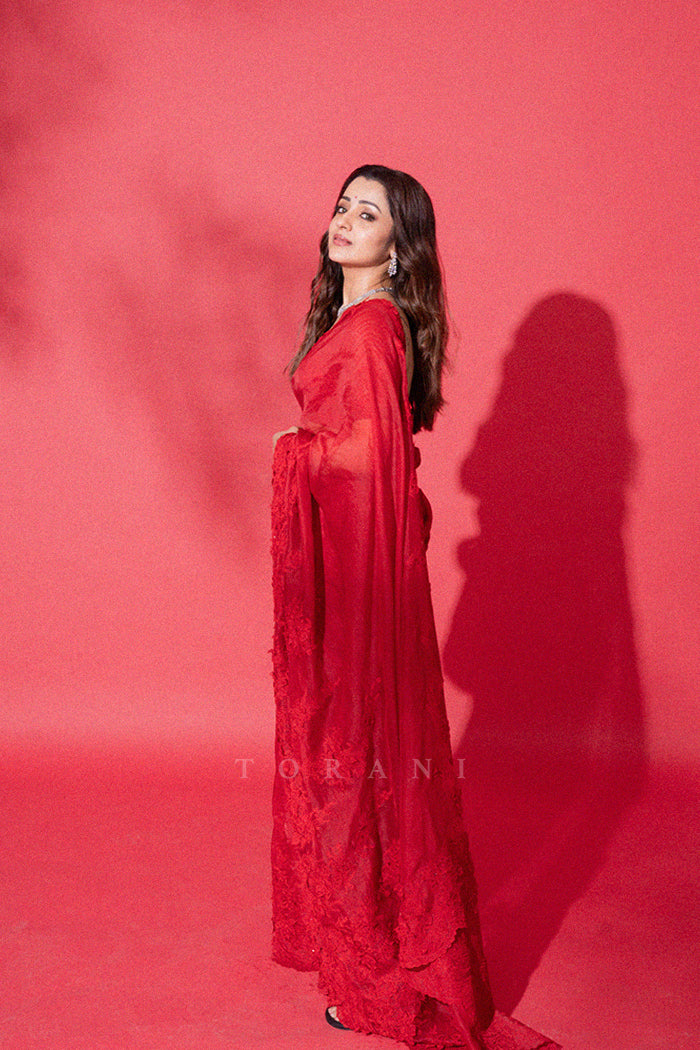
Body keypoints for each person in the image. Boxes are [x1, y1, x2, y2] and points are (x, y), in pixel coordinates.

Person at [271, 165, 494, 1050]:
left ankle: (382, 978)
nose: (345, 221)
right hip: (355, 559)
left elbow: (367, 460)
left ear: (399, 246)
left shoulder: (368, 329)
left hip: (360, 578)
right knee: (358, 760)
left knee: (352, 759)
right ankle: (372, 952)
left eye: (369, 214)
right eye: (342, 206)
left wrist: (294, 452)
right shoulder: (363, 319)